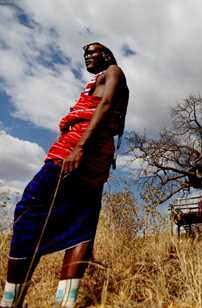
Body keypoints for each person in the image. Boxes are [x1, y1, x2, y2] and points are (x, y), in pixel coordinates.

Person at [0, 42, 129, 308]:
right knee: (81, 222)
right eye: (85, 53)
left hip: (78, 150)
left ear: (105, 55)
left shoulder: (114, 71)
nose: (86, 57)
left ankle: (10, 301)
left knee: (28, 211)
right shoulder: (99, 80)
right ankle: (65, 303)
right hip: (95, 154)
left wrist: (80, 147)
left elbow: (104, 105)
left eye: (91, 52)